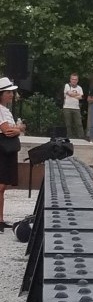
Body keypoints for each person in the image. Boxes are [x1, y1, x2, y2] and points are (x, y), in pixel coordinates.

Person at [0, 77, 24, 233]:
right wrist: (19, 129)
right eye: (8, 92)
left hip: (6, 149)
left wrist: (17, 128)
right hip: (2, 148)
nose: (11, 95)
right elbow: (7, 130)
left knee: (3, 185)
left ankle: (0, 218)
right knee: (1, 185)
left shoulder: (5, 110)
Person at [63, 73, 85, 138]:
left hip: (76, 108)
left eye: (75, 79)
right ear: (70, 79)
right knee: (68, 124)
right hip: (67, 107)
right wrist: (77, 95)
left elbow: (81, 97)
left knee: (79, 124)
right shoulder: (67, 85)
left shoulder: (79, 88)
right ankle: (69, 137)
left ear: (77, 80)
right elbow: (69, 93)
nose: (74, 81)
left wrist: (72, 95)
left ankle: (81, 137)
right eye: (73, 79)